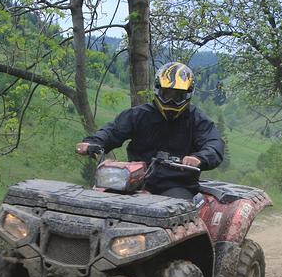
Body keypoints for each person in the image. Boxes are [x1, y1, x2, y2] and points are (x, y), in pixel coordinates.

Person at [75, 62, 224, 200]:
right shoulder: (138, 115)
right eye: (167, 94)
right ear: (158, 90)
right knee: (102, 199)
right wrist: (93, 143)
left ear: (188, 94)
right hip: (134, 180)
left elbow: (214, 144)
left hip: (177, 185)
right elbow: (113, 131)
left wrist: (200, 158)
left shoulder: (197, 120)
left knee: (174, 207)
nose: (171, 101)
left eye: (178, 96)